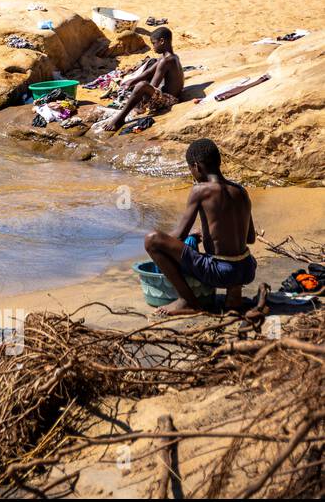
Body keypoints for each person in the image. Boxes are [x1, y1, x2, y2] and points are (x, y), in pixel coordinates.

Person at [144, 138, 258, 316]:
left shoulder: (201, 190)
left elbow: (179, 235)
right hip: (247, 269)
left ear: (196, 167)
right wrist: (206, 233)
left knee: (152, 240)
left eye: (190, 169)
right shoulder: (241, 191)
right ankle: (234, 294)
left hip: (221, 273)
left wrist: (168, 238)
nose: (192, 173)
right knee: (232, 257)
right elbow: (250, 238)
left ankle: (188, 302)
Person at [100, 27, 182, 132]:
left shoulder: (166, 61)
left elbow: (152, 86)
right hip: (169, 95)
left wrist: (141, 98)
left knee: (142, 86)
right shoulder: (170, 57)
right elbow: (148, 72)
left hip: (170, 100)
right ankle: (136, 105)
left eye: (153, 43)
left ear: (162, 41)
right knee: (140, 82)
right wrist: (131, 81)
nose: (153, 47)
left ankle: (120, 118)